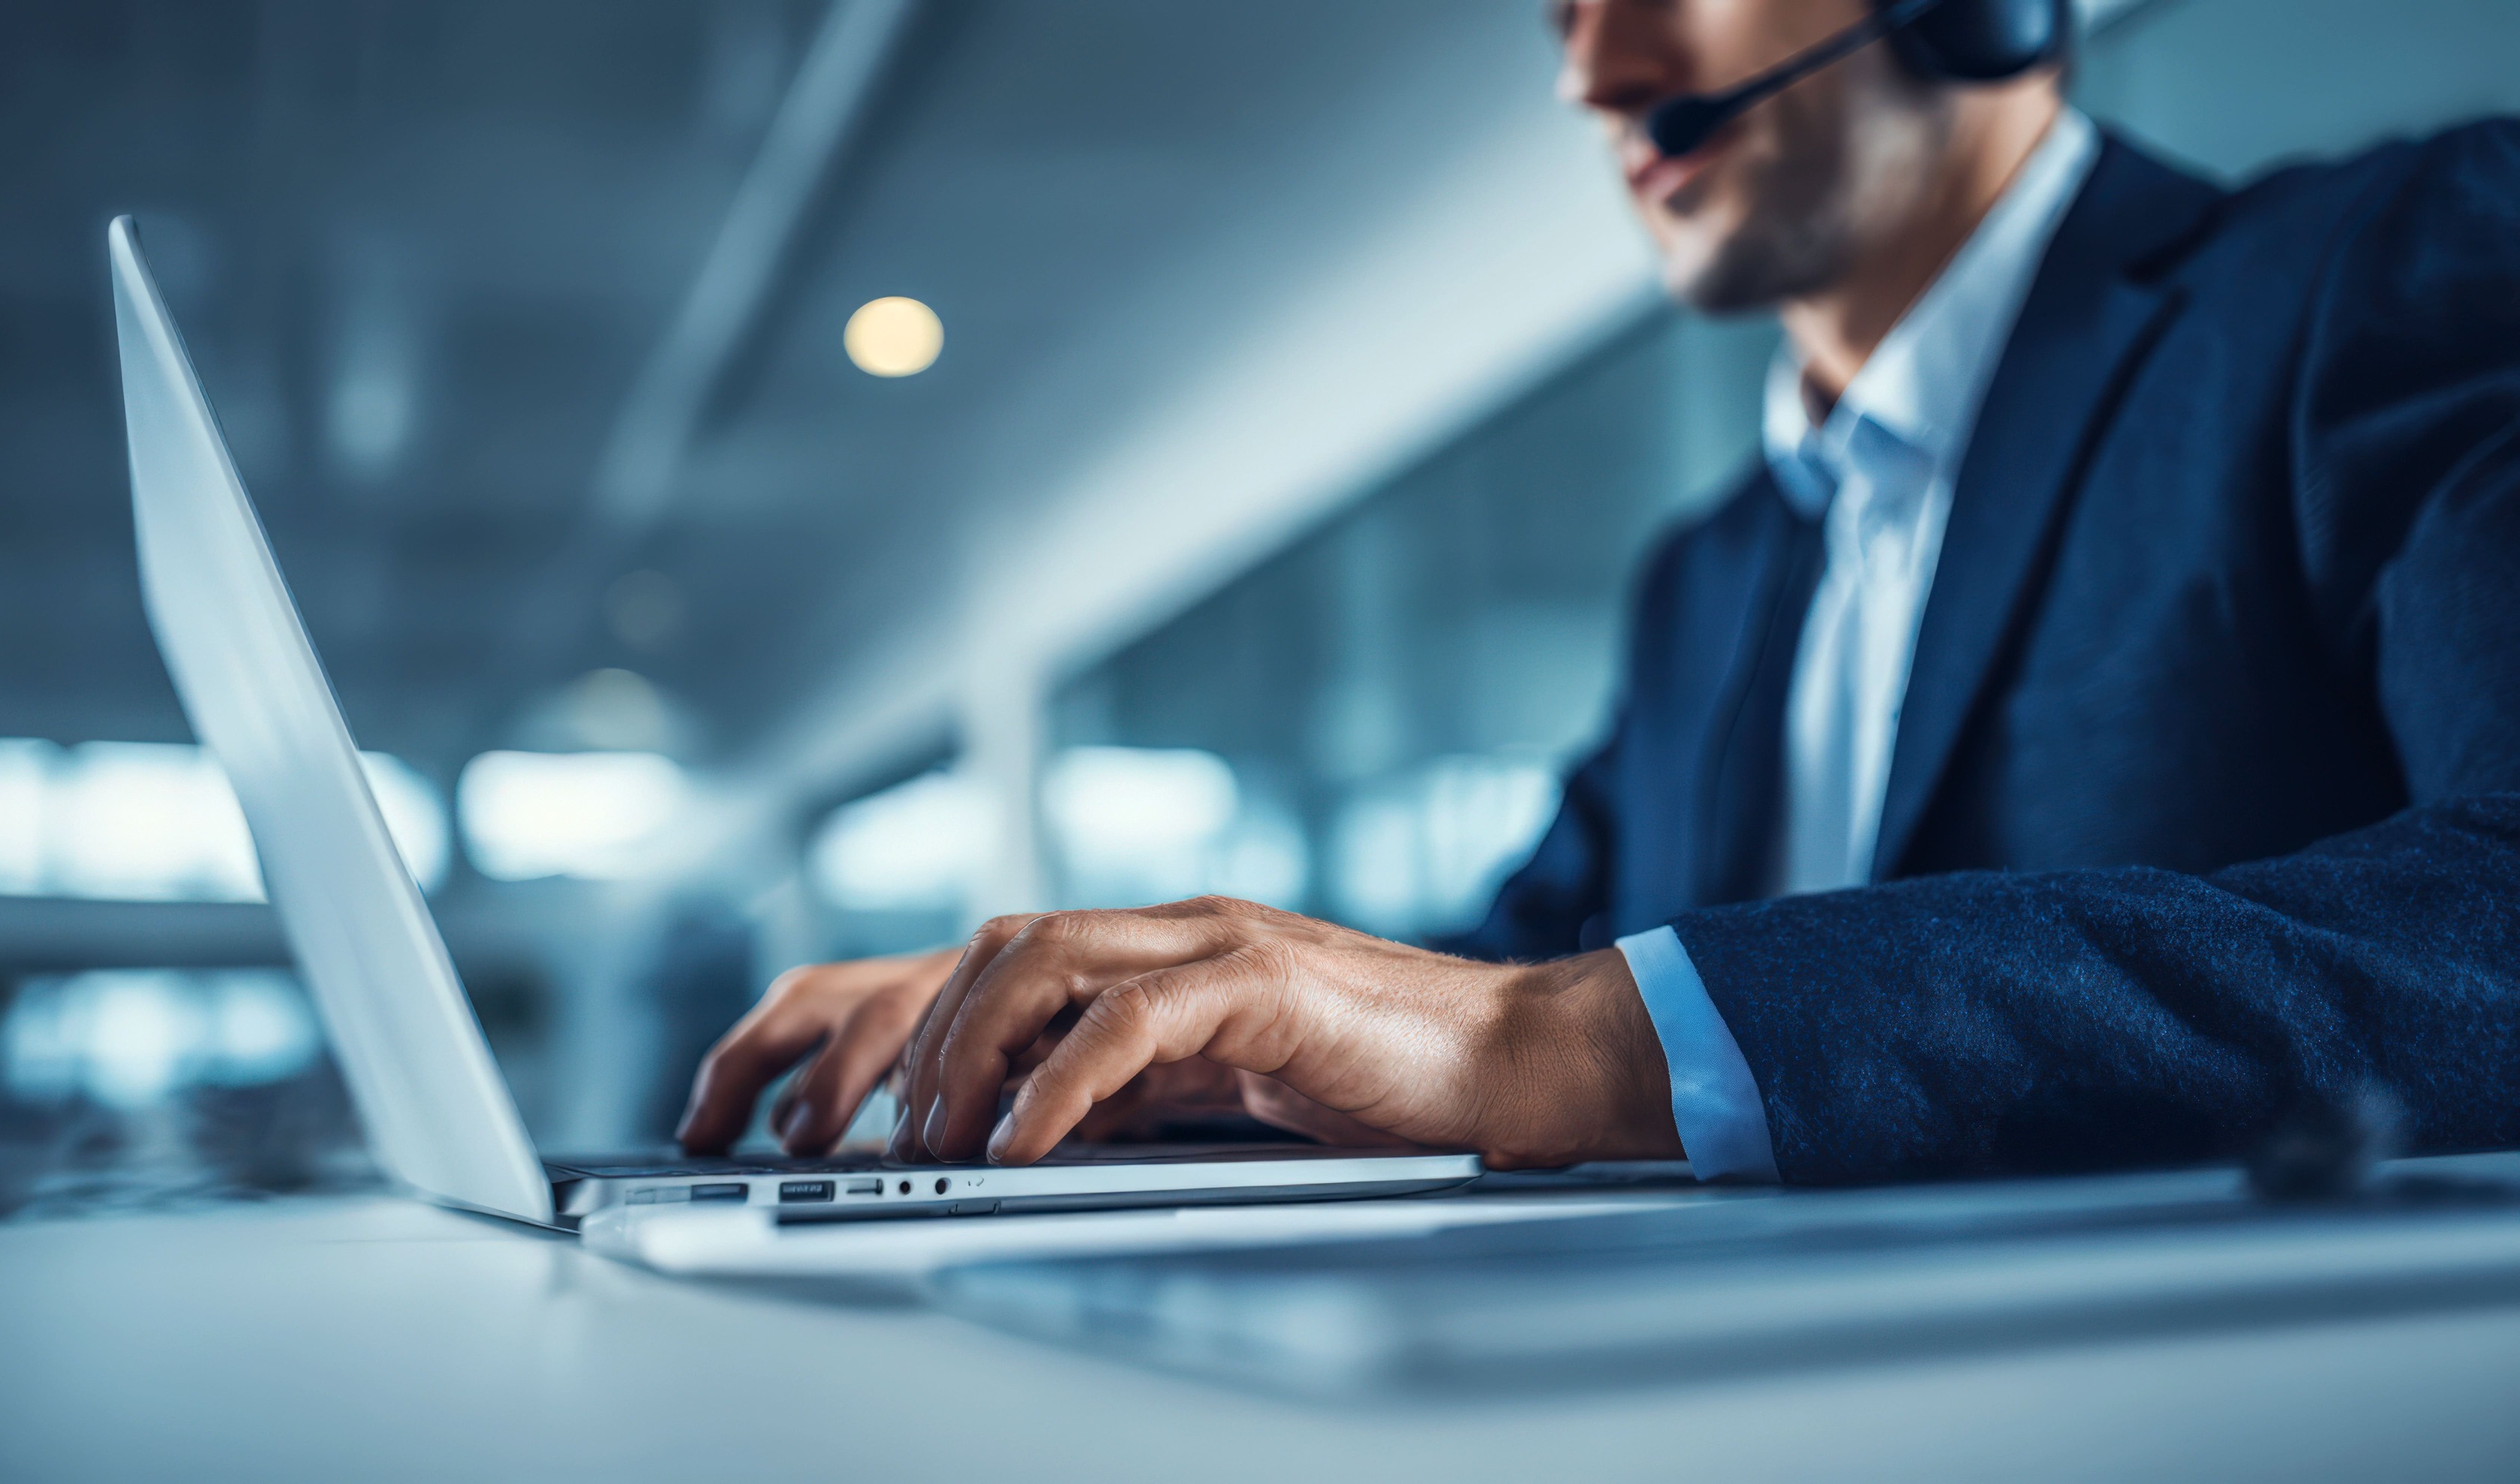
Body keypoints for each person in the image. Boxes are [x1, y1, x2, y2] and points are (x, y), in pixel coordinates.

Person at [678, 0, 2520, 1183]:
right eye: (1562, 2)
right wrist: (1161, 1028)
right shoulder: (1710, 580)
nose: (1592, 71)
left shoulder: (2377, 280)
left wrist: (1554, 1042)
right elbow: (1501, 982)